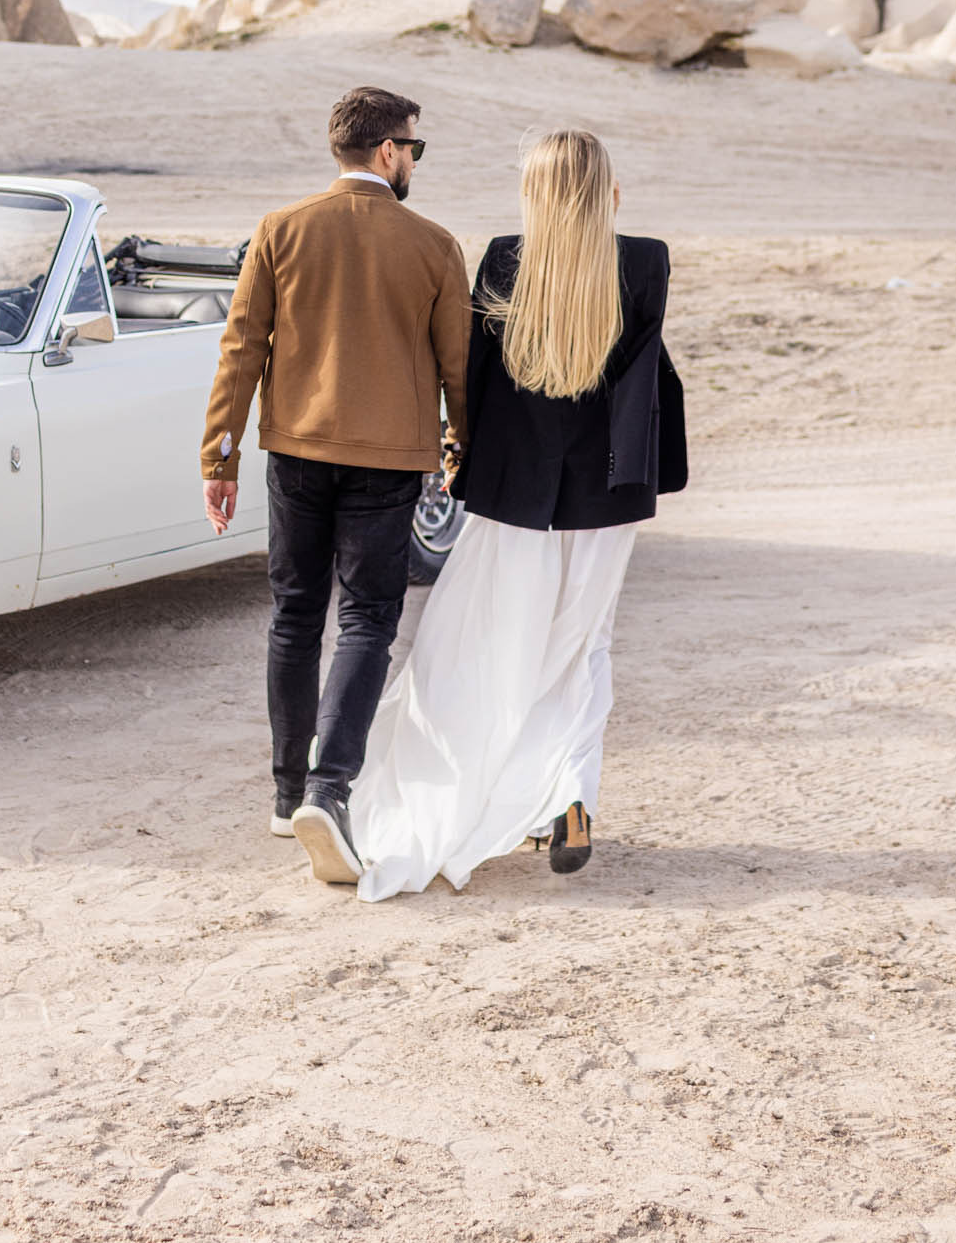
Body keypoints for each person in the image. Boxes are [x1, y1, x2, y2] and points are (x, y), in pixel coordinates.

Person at [349, 127, 685, 902]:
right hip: (605, 496)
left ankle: (506, 791)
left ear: (532, 192)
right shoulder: (644, 260)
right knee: (581, 644)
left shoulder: (504, 257)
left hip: (512, 493)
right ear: (605, 187)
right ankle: (569, 798)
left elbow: (475, 381)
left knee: (484, 643)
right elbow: (641, 377)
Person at [201, 85, 470, 886]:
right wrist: (463, 451)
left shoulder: (280, 230)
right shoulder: (432, 244)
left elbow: (239, 349)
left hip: (295, 452)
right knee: (365, 621)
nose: (414, 160)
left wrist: (219, 461)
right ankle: (329, 789)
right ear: (387, 152)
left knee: (293, 614)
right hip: (388, 461)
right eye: (413, 148)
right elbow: (459, 367)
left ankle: (288, 797)